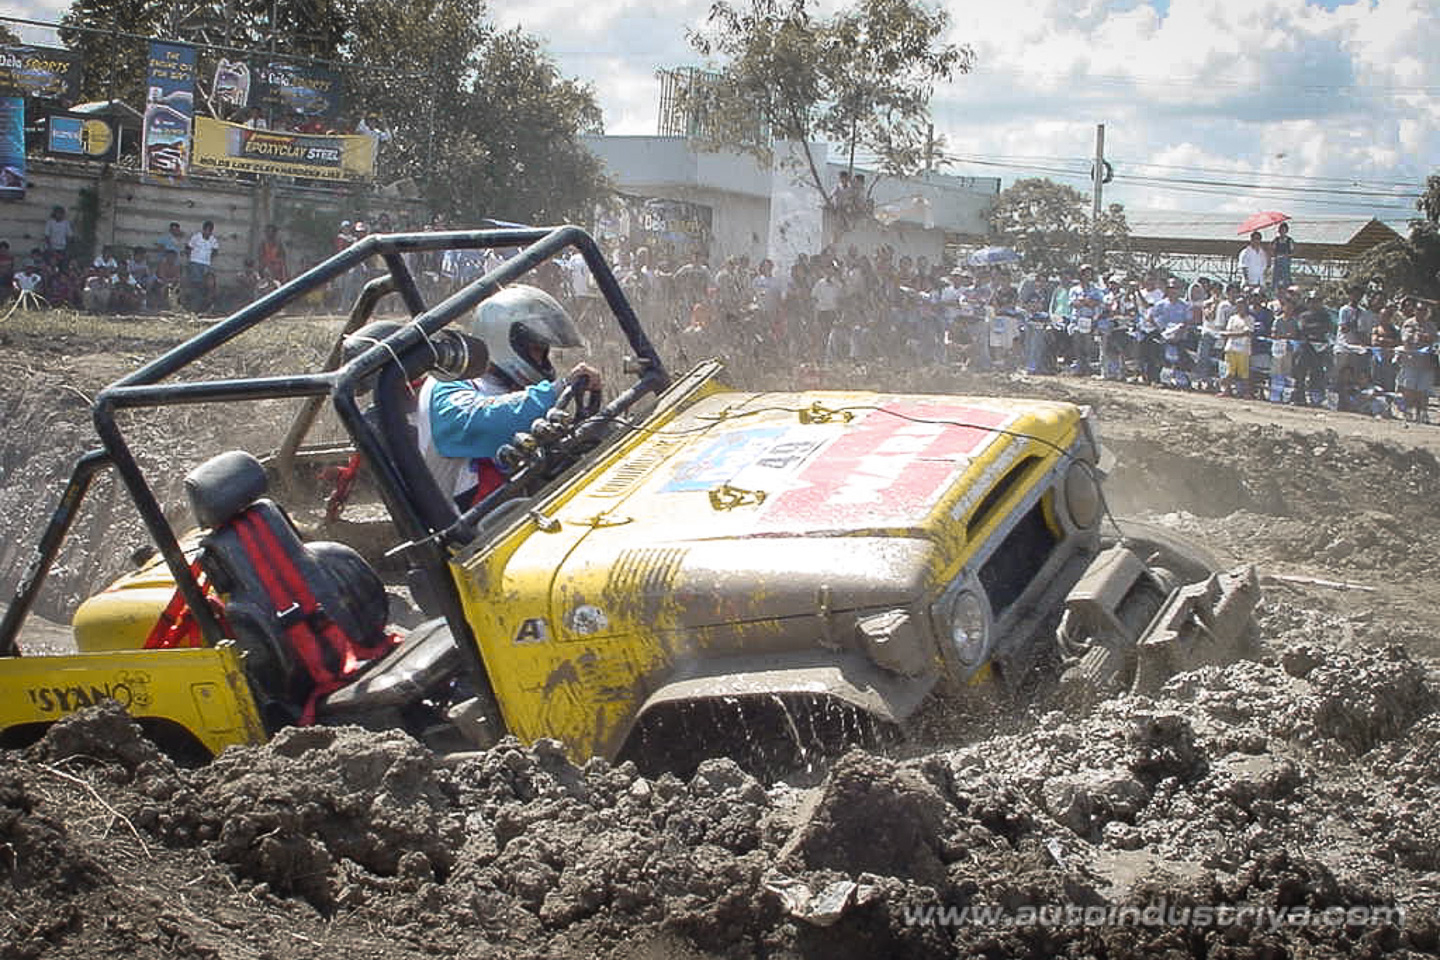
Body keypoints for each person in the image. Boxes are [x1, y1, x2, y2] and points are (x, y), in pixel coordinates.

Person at [417, 285, 603, 507]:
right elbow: (477, 422)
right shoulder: (447, 382)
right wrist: (557, 389)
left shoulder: (510, 388)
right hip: (469, 530)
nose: (542, 361)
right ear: (504, 340)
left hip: (514, 513)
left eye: (544, 352)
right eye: (536, 349)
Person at [186, 220, 221, 312]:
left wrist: (209, 259)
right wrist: (191, 259)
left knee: (206, 284)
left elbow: (215, 251)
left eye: (210, 230)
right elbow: (188, 248)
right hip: (195, 263)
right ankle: (194, 306)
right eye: (206, 230)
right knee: (196, 284)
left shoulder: (213, 240)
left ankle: (203, 305)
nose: (208, 232)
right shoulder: (196, 237)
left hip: (206, 264)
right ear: (203, 229)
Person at [1272, 222, 1295, 291]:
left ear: (1286, 231)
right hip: (1277, 261)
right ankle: (1275, 290)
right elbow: (1272, 250)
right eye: (1281, 230)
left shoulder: (1289, 240)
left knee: (1286, 277)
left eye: (1284, 230)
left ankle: (1286, 289)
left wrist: (1287, 255)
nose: (1282, 232)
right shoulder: (1276, 240)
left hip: (1286, 261)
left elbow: (1293, 251)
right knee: (1276, 277)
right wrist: (1276, 255)